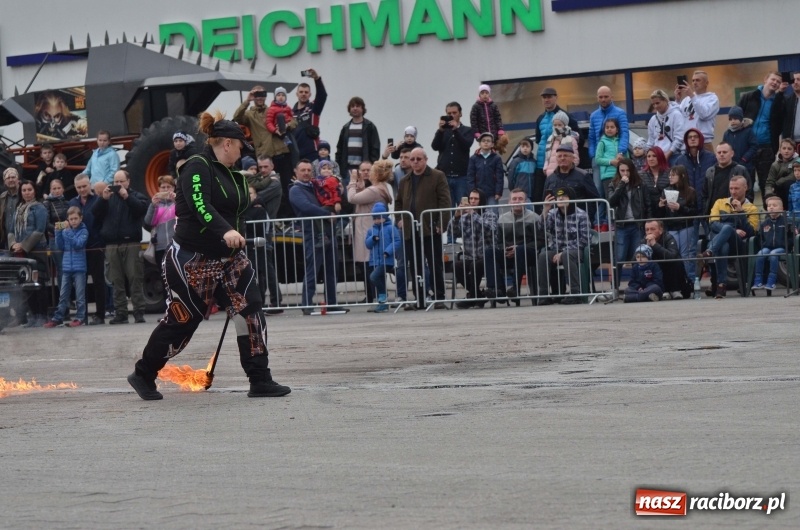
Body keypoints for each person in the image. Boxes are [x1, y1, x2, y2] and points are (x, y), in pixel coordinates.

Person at [128, 112, 291, 400]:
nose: (243, 154)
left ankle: (260, 378)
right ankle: (144, 373)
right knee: (183, 321)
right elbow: (200, 205)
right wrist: (225, 231)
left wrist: (235, 238)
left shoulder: (235, 176)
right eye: (241, 147)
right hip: (193, 259)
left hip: (230, 260)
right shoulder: (196, 166)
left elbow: (237, 213)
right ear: (227, 143)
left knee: (250, 310)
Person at [289, 159, 348, 314]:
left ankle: (332, 303)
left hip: (328, 231)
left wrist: (339, 191)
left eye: (309, 170)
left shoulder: (315, 185)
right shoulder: (296, 190)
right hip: (312, 234)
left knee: (332, 269)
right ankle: (307, 304)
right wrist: (327, 214)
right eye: (303, 170)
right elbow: (306, 207)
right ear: (296, 172)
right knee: (312, 270)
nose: (306, 173)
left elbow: (332, 194)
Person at [395, 147, 451, 309]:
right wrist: (399, 219)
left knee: (434, 264)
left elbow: (445, 201)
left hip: (430, 228)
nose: (415, 162)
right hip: (411, 230)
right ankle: (420, 298)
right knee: (415, 265)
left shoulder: (437, 176)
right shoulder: (405, 180)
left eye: (418, 159)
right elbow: (398, 203)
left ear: (426, 159)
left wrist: (441, 224)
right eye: (412, 159)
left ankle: (439, 297)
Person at [93, 170, 149, 324]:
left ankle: (138, 312)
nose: (118, 185)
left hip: (131, 243)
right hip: (111, 244)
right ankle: (121, 313)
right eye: (115, 182)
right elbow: (95, 213)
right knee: (116, 280)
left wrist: (127, 197)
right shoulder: (108, 197)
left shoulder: (136, 196)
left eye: (121, 181)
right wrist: (102, 200)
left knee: (135, 278)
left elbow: (141, 209)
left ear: (128, 181)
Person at [701, 176, 759, 298]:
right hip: (720, 243)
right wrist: (733, 230)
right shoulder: (720, 202)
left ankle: (709, 252)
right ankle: (721, 286)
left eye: (736, 188)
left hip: (738, 245)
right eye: (731, 188)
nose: (733, 192)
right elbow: (712, 223)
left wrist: (741, 212)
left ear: (745, 188)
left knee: (727, 229)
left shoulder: (752, 208)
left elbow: (751, 232)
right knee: (723, 246)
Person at [347, 160, 394, 305]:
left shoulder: (374, 190)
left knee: (370, 264)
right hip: (367, 227)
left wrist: (353, 182)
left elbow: (352, 198)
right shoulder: (381, 188)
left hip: (366, 228)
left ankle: (375, 295)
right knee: (369, 264)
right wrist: (360, 188)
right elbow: (363, 199)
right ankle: (373, 294)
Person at [738, 71, 785, 207]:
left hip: (767, 147)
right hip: (748, 147)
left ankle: (770, 219)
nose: (775, 83)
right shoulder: (748, 96)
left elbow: (781, 124)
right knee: (746, 183)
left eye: (778, 81)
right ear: (765, 79)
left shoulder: (778, 102)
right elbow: (735, 117)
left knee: (767, 184)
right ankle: (746, 216)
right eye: (773, 79)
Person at [536, 186, 590, 305]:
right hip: (556, 249)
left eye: (564, 197)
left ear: (571, 199)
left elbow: (584, 240)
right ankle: (544, 295)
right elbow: (541, 228)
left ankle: (575, 294)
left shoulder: (581, 215)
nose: (560, 199)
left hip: (576, 250)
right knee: (543, 256)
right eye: (558, 197)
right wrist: (545, 210)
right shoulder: (553, 213)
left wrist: (563, 252)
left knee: (567, 255)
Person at [484, 188, 541, 301]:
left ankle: (515, 288)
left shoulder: (534, 217)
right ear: (509, 202)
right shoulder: (502, 218)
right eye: (514, 199)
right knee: (489, 252)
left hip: (528, 254)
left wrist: (520, 248)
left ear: (525, 201)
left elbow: (540, 240)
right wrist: (504, 249)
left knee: (520, 250)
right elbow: (498, 241)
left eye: (520, 199)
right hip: (508, 254)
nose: (517, 201)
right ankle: (497, 289)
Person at [8, 180, 49, 326]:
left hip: (36, 250)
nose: (26, 192)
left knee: (39, 284)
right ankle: (32, 316)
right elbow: (11, 230)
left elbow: (39, 231)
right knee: (26, 284)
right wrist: (13, 244)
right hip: (20, 252)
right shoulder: (18, 208)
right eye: (24, 190)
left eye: (29, 190)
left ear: (34, 191)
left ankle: (42, 315)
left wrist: (24, 245)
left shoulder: (40, 208)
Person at [607, 159, 650, 294]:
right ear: (618, 171)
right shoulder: (613, 184)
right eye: (622, 171)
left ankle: (638, 285)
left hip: (637, 225)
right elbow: (611, 201)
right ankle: (615, 287)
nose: (625, 173)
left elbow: (647, 204)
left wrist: (647, 222)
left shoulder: (640, 184)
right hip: (622, 225)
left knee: (638, 257)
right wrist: (621, 185)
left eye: (627, 170)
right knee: (619, 257)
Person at [68, 174, 106, 325]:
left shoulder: (98, 199)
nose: (82, 189)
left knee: (98, 281)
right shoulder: (72, 202)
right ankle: (81, 315)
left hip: (95, 246)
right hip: (78, 248)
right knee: (79, 283)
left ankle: (100, 315)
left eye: (84, 186)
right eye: (79, 187)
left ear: (89, 185)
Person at [449, 189, 496, 308]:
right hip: (470, 255)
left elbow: (489, 230)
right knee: (457, 265)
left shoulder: (489, 214)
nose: (472, 201)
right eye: (470, 199)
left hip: (487, 255)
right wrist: (456, 217)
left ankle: (472, 297)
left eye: (476, 199)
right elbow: (452, 232)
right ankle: (478, 296)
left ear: (482, 201)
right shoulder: (464, 217)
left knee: (475, 265)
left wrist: (473, 214)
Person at [44, 207, 88, 328]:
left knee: (80, 296)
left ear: (81, 218)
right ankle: (58, 318)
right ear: (67, 219)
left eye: (75, 218)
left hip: (79, 268)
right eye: (71, 219)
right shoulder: (65, 231)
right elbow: (60, 246)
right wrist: (58, 232)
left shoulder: (83, 231)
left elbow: (78, 244)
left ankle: (80, 317)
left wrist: (67, 231)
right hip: (66, 267)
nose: (73, 221)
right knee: (63, 295)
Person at [534, 87, 580, 202]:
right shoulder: (540, 118)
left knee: (560, 197)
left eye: (549, 97)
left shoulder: (565, 116)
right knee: (541, 197)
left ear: (556, 97)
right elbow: (539, 140)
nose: (546, 100)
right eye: (544, 97)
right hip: (542, 164)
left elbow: (578, 137)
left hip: (560, 165)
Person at [656, 165, 698, 286]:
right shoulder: (666, 191)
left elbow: (694, 211)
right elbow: (661, 214)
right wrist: (660, 206)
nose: (670, 177)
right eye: (670, 175)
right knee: (673, 254)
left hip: (686, 226)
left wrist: (680, 207)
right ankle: (676, 282)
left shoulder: (690, 191)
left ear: (682, 176)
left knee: (686, 255)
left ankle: (689, 281)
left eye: (673, 175)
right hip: (671, 226)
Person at [589, 86, 630, 212]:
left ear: (612, 97)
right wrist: (592, 154)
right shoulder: (594, 115)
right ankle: (600, 222)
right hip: (599, 158)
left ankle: (614, 220)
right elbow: (591, 137)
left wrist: (621, 152)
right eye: (600, 97)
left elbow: (624, 133)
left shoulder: (620, 113)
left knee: (616, 190)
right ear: (597, 98)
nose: (603, 99)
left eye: (606, 96)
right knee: (598, 191)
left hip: (617, 158)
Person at [242, 185, 282, 313]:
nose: (249, 196)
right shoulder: (243, 210)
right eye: (246, 194)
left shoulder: (259, 209)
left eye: (251, 193)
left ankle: (276, 302)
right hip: (249, 246)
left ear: (256, 195)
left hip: (262, 245)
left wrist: (245, 220)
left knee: (268, 273)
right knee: (256, 274)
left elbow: (260, 227)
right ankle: (261, 302)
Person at [431, 101, 474, 209]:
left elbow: (466, 145)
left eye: (454, 113)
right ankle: (449, 227)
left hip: (461, 177)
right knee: (447, 209)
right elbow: (434, 146)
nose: (452, 116)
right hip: (445, 176)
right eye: (449, 113)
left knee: (463, 209)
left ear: (460, 114)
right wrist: (440, 131)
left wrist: (456, 130)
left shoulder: (467, 130)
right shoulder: (443, 131)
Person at [542, 144, 599, 222]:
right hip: (556, 223)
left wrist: (587, 217)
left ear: (573, 158)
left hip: (578, 222)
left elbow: (595, 199)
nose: (562, 158)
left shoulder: (583, 175)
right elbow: (545, 200)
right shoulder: (550, 178)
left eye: (565, 156)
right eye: (559, 156)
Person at [642, 220, 693, 301]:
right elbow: (635, 259)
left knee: (676, 260)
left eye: (652, 229)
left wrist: (655, 245)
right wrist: (646, 249)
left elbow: (672, 255)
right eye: (647, 230)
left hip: (670, 270)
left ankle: (675, 290)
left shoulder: (668, 237)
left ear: (661, 230)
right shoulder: (644, 241)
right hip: (655, 273)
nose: (649, 232)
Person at [364, 202, 401, 313]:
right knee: (378, 279)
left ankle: (382, 297)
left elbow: (397, 241)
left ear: (384, 217)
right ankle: (383, 304)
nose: (376, 221)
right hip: (375, 260)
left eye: (379, 218)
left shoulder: (390, 228)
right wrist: (372, 239)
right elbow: (367, 244)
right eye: (374, 218)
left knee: (373, 277)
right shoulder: (371, 230)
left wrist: (387, 251)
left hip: (386, 260)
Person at [335, 96, 381, 186]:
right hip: (348, 170)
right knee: (348, 196)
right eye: (352, 106)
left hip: (364, 170)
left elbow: (375, 147)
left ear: (362, 108)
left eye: (358, 106)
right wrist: (340, 167)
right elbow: (339, 148)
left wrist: (370, 165)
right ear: (349, 109)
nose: (355, 108)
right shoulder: (345, 128)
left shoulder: (370, 126)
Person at [674, 70, 720, 150]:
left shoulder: (712, 98)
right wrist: (677, 101)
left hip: (704, 143)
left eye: (698, 80)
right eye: (693, 80)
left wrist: (692, 96)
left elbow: (704, 115)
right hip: (687, 143)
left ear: (706, 83)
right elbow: (678, 118)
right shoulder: (686, 99)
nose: (695, 83)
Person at [702, 142, 752, 215]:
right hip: (713, 216)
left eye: (724, 152)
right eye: (719, 152)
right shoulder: (709, 172)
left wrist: (741, 210)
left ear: (732, 153)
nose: (721, 154)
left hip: (734, 215)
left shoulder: (741, 170)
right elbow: (704, 195)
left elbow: (749, 193)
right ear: (716, 155)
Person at [752, 195, 790, 291]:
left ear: (781, 208)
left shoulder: (786, 222)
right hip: (768, 247)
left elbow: (792, 236)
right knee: (760, 254)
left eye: (774, 205)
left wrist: (787, 245)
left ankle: (771, 282)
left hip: (782, 247)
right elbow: (760, 237)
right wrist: (762, 245)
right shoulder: (765, 223)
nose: (771, 207)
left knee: (773, 255)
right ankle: (758, 281)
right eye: (769, 205)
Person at [292, 68, 328, 161]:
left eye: (306, 92)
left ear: (310, 94)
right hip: (295, 153)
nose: (303, 94)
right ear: (296, 94)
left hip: (311, 152)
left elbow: (322, 95)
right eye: (301, 92)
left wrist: (317, 79)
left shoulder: (313, 108)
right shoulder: (290, 112)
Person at [594, 117, 621, 230]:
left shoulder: (621, 141)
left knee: (619, 199)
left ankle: (618, 221)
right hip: (607, 175)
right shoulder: (602, 142)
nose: (609, 129)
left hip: (620, 175)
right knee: (610, 199)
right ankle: (610, 223)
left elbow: (627, 158)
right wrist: (611, 162)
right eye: (607, 127)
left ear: (617, 129)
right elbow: (598, 159)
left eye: (612, 127)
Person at [144, 175, 177, 267]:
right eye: (163, 187)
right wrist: (153, 205)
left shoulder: (178, 202)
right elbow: (148, 222)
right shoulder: (156, 204)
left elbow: (185, 217)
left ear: (173, 188)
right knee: (163, 276)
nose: (166, 189)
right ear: (159, 188)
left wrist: (177, 201)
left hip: (176, 246)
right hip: (160, 247)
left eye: (168, 187)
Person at [645, 89, 686, 164]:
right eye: (653, 104)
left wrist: (668, 153)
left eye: (658, 103)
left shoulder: (676, 115)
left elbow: (679, 138)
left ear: (665, 100)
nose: (655, 106)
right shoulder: (653, 119)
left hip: (674, 155)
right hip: (658, 157)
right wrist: (647, 154)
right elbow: (651, 140)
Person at [43, 179, 70, 279]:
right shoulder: (47, 203)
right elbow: (46, 223)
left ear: (63, 189)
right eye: (54, 188)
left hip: (68, 237)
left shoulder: (68, 203)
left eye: (59, 188)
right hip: (54, 238)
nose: (57, 190)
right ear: (50, 190)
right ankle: (63, 294)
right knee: (61, 267)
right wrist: (61, 226)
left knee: (69, 267)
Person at [467, 132, 504, 205]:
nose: (486, 143)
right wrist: (472, 191)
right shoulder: (473, 158)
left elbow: (499, 177)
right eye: (483, 141)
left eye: (488, 141)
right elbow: (470, 176)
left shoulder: (497, 158)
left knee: (493, 213)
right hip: (477, 193)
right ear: (479, 144)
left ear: (492, 144)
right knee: (478, 214)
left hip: (492, 194)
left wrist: (498, 192)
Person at [722, 106, 757, 178]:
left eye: (735, 118)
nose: (733, 121)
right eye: (731, 119)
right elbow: (724, 147)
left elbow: (754, 146)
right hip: (731, 166)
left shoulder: (748, 131)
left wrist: (745, 158)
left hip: (747, 166)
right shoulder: (727, 134)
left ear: (741, 119)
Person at [542, 111, 580, 178]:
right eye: (555, 125)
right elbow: (547, 157)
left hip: (566, 173)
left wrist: (571, 169)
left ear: (565, 125)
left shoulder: (571, 139)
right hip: (551, 174)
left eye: (559, 125)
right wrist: (545, 167)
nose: (557, 127)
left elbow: (575, 157)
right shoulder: (551, 139)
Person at [469, 84, 506, 152]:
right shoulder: (476, 106)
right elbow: (473, 121)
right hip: (482, 135)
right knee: (485, 150)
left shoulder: (493, 105)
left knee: (494, 151)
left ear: (489, 94)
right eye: (482, 93)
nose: (485, 95)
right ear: (479, 95)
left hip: (494, 135)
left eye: (486, 93)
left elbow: (498, 119)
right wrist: (477, 133)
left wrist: (500, 131)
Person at [764, 138, 797, 208]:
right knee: (768, 200)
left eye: (789, 149)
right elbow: (769, 182)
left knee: (788, 184)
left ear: (794, 151)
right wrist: (768, 195)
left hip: (793, 190)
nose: (786, 151)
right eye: (784, 148)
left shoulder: (797, 162)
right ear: (780, 150)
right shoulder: (775, 165)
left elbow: (793, 176)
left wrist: (778, 182)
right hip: (778, 190)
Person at [250, 156, 283, 220]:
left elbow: (258, 197)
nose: (263, 170)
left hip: (267, 221)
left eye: (266, 166)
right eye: (260, 167)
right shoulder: (258, 178)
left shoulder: (275, 183)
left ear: (272, 166)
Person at [507, 138, 536, 205]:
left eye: (527, 146)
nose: (525, 148)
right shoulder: (516, 161)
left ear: (531, 148)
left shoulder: (534, 162)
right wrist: (513, 190)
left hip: (531, 194)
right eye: (523, 146)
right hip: (519, 194)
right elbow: (511, 178)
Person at [1, 167, 21, 250]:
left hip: (22, 239)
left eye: (13, 177)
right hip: (6, 240)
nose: (10, 180)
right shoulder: (2, 197)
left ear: (18, 179)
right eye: (8, 178)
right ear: (4, 182)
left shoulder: (24, 194)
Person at [788, 158, 800, 225]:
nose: (797, 173)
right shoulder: (792, 187)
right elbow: (790, 206)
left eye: (799, 170)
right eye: (795, 170)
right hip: (795, 220)